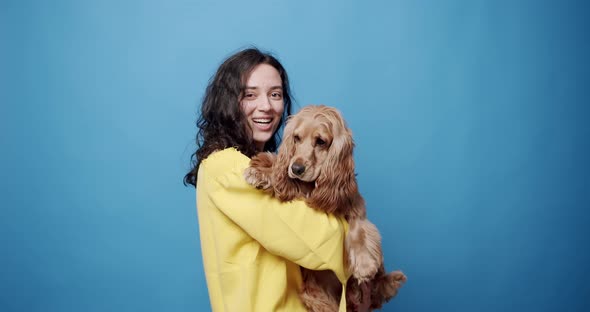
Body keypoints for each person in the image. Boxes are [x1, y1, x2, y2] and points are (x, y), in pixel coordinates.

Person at [184, 48, 351, 311]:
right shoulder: (227, 166)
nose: (267, 106)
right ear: (228, 102)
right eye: (250, 95)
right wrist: (355, 236)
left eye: (275, 94)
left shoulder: (265, 165)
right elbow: (317, 238)